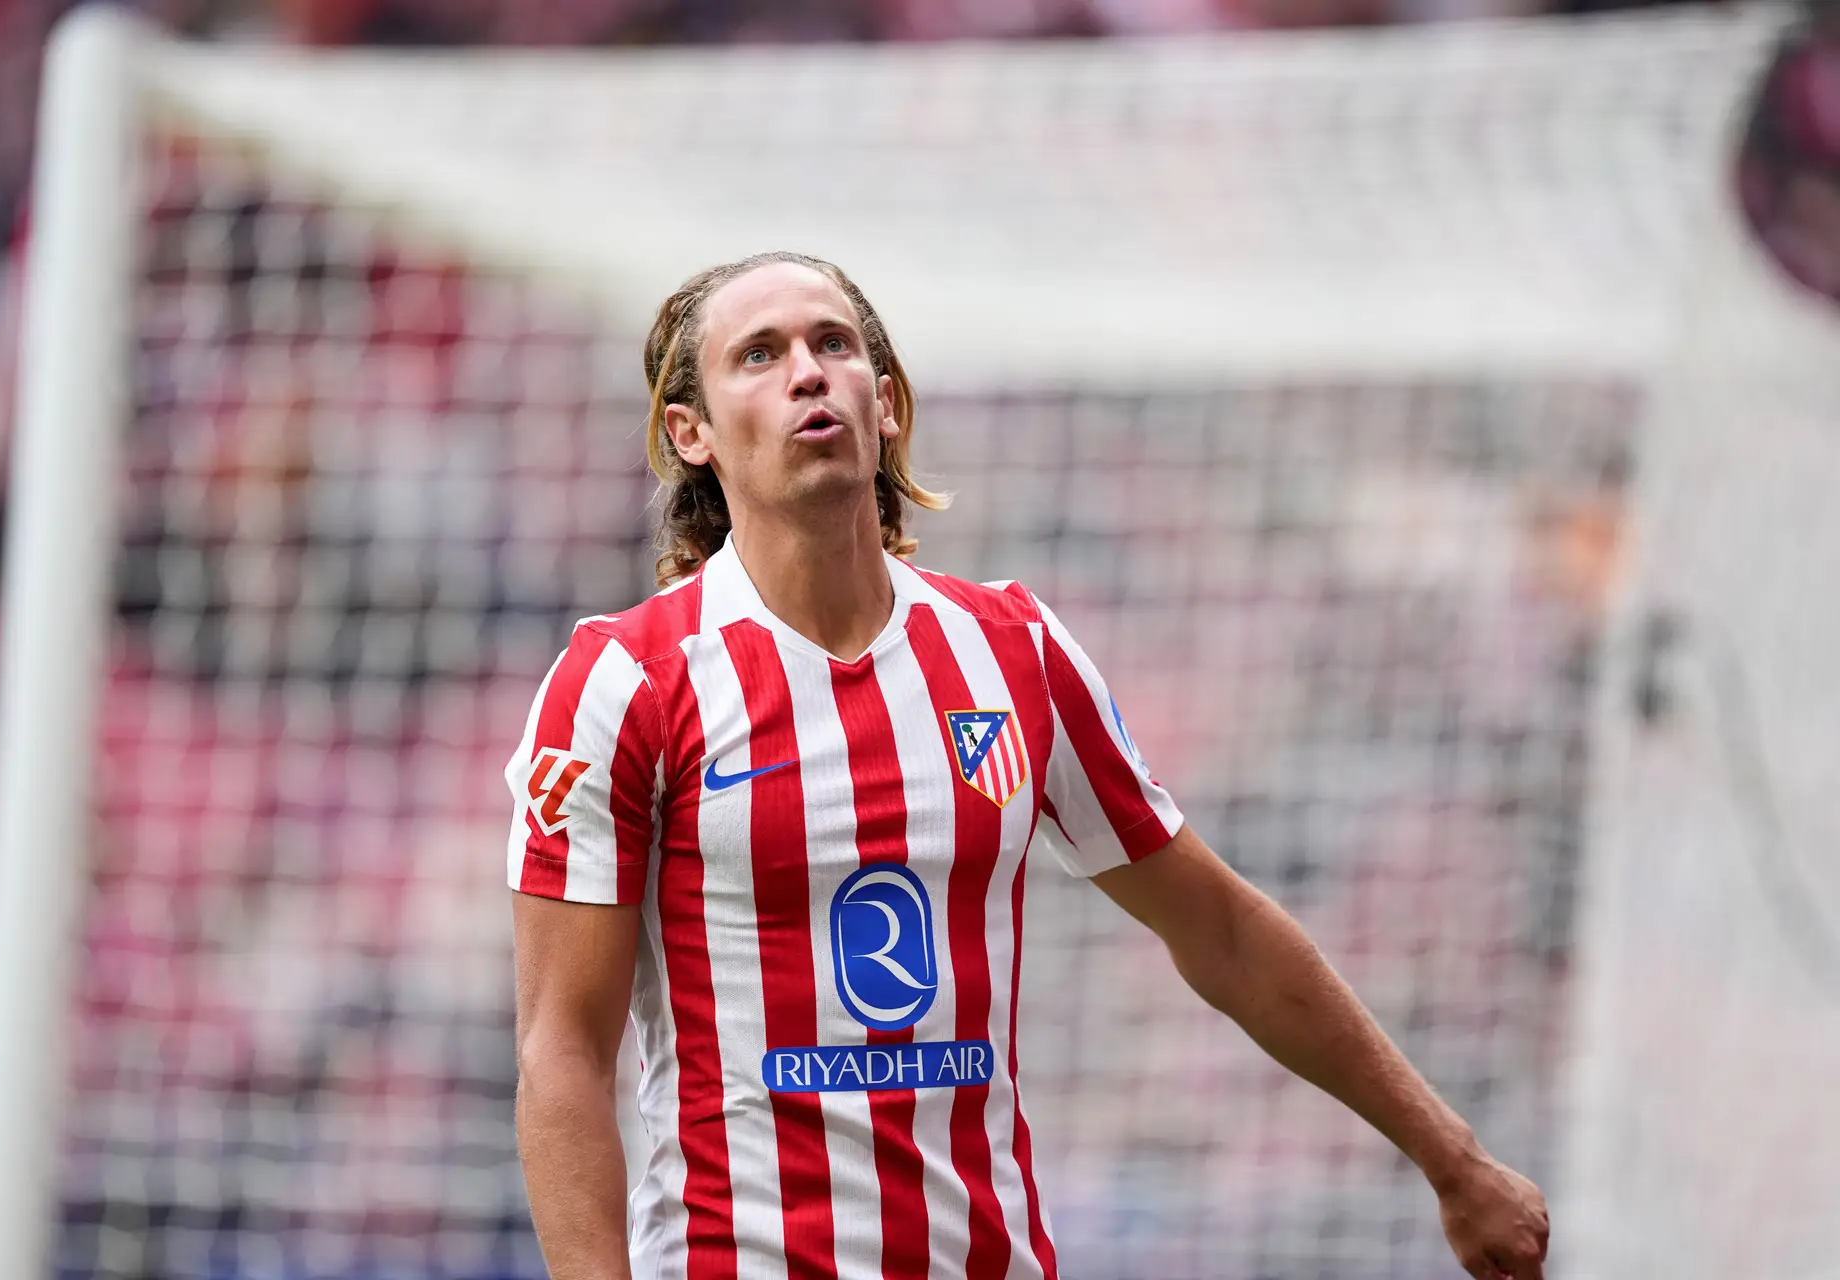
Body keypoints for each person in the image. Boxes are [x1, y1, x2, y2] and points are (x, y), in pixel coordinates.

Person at [507, 250, 1550, 1280]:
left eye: (834, 344)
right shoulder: (627, 683)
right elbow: (563, 1052)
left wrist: (1453, 1161)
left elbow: (1221, 929)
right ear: (689, 434)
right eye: (760, 354)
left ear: (887, 404)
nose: (809, 372)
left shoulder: (1012, 651)